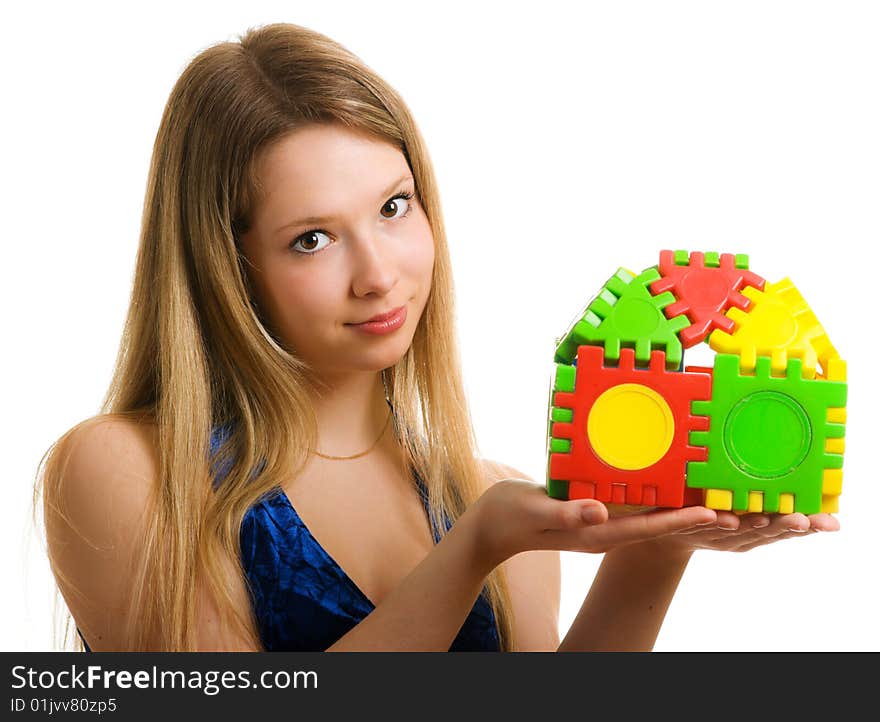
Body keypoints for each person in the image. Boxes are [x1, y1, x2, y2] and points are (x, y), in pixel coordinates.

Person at [35, 22, 838, 653]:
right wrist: (471, 551)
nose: (379, 275)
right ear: (226, 267)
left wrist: (659, 548)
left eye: (393, 208)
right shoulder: (133, 469)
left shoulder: (490, 493)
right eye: (312, 238)